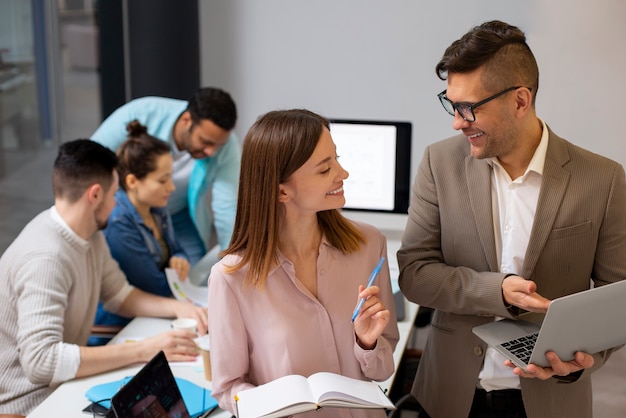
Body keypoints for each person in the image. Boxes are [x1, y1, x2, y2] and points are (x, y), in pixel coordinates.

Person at [397, 20, 626, 418]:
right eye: (452, 104)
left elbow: (617, 297)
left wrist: (584, 358)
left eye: (469, 108)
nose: (456, 121)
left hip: (552, 400)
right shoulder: (439, 163)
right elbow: (414, 272)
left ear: (520, 101)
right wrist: (495, 291)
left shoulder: (602, 179)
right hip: (450, 395)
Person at [207, 109, 400, 417]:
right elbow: (228, 388)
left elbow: (382, 370)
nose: (343, 173)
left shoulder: (369, 245)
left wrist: (367, 344)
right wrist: (278, 402)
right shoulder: (231, 278)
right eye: (325, 170)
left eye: (336, 159)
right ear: (282, 190)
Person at [0, 139, 208, 416]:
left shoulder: (89, 235)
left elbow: (120, 295)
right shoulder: (46, 257)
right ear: (95, 194)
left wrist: (181, 308)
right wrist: (144, 350)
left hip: (63, 387)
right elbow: (41, 362)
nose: (117, 202)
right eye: (114, 194)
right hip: (28, 405)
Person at [91, 87, 240, 284]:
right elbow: (90, 162)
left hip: (177, 214)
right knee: (138, 278)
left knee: (191, 277)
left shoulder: (227, 147)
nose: (211, 151)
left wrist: (234, 264)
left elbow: (226, 207)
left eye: (218, 145)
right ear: (186, 120)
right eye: (205, 142)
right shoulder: (142, 113)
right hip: (128, 212)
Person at [92, 120, 190, 336]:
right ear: (133, 181)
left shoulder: (157, 207)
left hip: (151, 314)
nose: (171, 187)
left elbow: (178, 250)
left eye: (171, 178)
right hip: (117, 328)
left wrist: (181, 259)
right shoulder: (118, 222)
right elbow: (155, 287)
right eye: (163, 180)